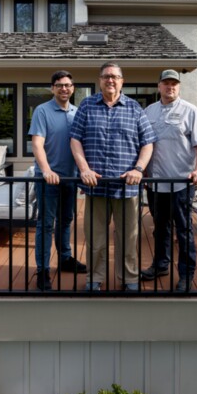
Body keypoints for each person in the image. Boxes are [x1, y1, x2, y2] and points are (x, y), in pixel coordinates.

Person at [70, 62, 156, 291]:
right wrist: (84, 169)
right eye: (106, 76)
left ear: (122, 81)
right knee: (95, 238)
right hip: (95, 185)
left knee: (128, 237)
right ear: (100, 80)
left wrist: (138, 169)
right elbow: (75, 139)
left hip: (126, 187)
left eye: (115, 77)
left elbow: (147, 143)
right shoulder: (87, 105)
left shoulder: (134, 108)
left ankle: (129, 279)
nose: (110, 80)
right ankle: (94, 278)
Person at [141, 69, 197, 292]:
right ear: (158, 86)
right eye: (166, 83)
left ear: (178, 87)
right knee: (160, 228)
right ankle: (161, 264)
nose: (170, 87)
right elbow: (143, 144)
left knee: (184, 230)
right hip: (155, 183)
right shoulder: (148, 112)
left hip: (181, 182)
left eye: (174, 83)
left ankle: (186, 274)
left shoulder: (190, 111)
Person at [29, 70, 86, 291]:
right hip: (48, 180)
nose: (64, 88)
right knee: (45, 224)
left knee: (66, 221)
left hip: (70, 179)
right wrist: (46, 171)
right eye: (60, 85)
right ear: (52, 88)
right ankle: (43, 270)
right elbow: (37, 144)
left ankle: (65, 258)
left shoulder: (77, 112)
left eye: (68, 85)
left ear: (73, 88)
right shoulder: (42, 111)